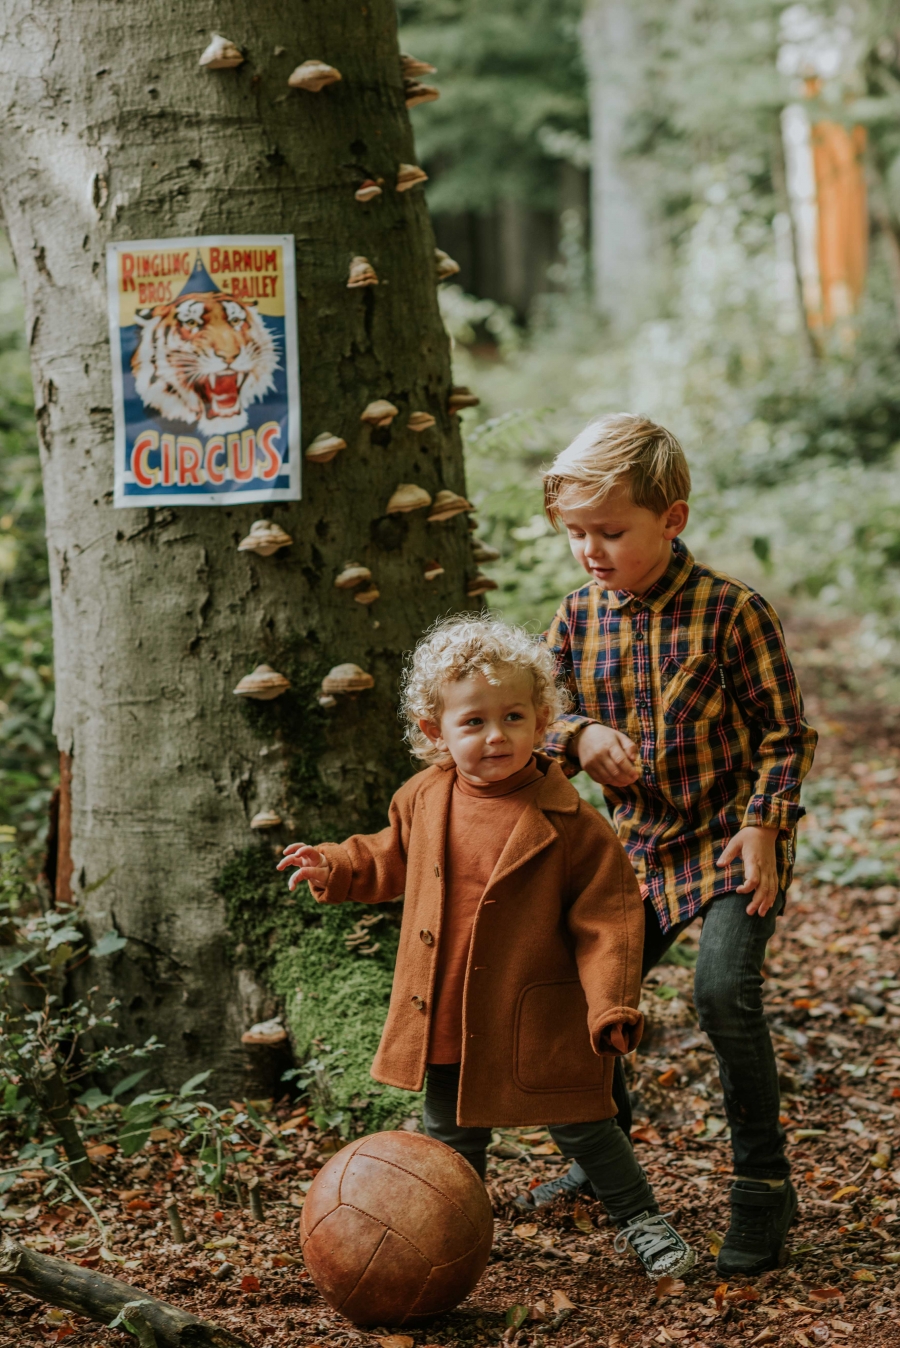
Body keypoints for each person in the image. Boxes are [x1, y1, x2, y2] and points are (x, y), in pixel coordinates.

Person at [277, 615, 695, 1280]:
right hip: (445, 1010)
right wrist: (337, 867)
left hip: (542, 1016)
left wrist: (611, 1006)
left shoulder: (572, 824)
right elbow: (388, 856)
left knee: (586, 1126)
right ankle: (452, 1240)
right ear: (433, 732)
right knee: (450, 1141)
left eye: (514, 717)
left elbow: (610, 922)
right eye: (473, 722)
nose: (495, 736)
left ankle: (643, 1221)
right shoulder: (423, 798)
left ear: (542, 719)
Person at [534, 413, 818, 1276]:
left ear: (673, 519)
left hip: (735, 843)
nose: (591, 550)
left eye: (611, 532)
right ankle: (600, 1153)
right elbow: (543, 718)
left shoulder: (733, 613)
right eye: (577, 533)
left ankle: (764, 1188)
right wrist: (579, 734)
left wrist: (765, 823)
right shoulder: (578, 620)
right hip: (636, 856)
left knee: (724, 994)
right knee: (572, 995)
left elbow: (785, 732)